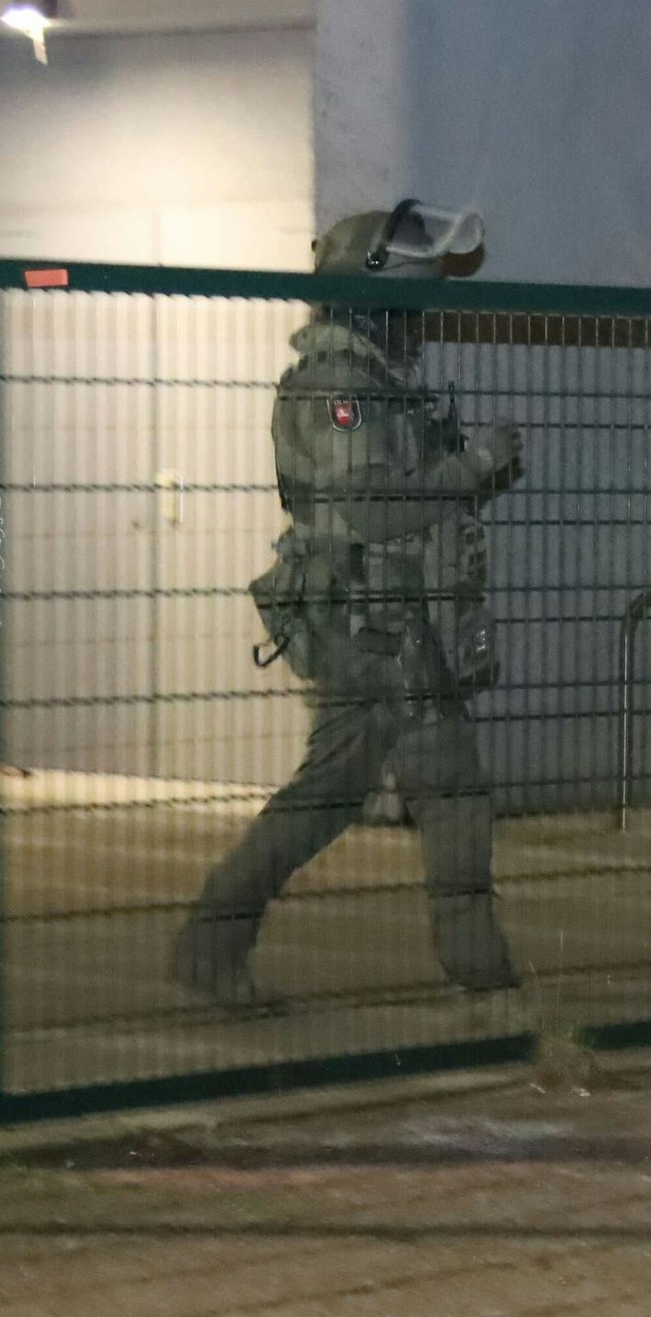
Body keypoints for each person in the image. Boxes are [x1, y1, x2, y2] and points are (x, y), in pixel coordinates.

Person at [173, 201, 525, 1009]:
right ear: (372, 302)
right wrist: (473, 466)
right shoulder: (342, 387)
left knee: (374, 794)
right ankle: (479, 970)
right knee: (408, 793)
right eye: (413, 304)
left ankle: (213, 943)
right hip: (374, 627)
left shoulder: (375, 382)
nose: (423, 322)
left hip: (391, 622)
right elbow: (372, 508)